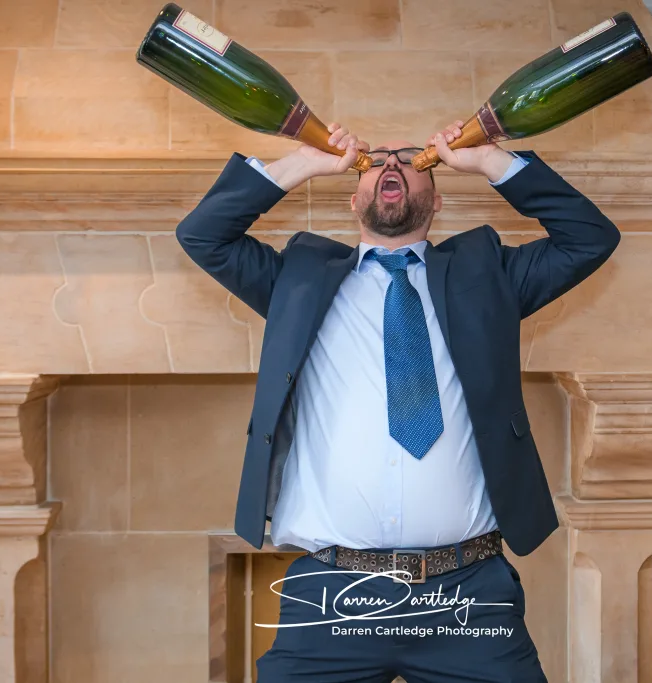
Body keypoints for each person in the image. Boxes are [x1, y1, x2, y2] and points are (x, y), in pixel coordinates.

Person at [176, 120, 620, 682]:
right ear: (353, 196)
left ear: (436, 197)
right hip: (333, 594)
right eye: (377, 160)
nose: (390, 165)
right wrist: (303, 162)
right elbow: (203, 234)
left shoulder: (489, 275)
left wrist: (491, 162)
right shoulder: (299, 278)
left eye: (410, 159)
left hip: (467, 594)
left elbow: (591, 237)